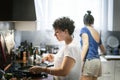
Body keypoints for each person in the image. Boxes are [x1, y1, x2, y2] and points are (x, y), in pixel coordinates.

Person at [79, 11, 106, 80]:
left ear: (84, 21)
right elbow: (103, 50)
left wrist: (81, 62)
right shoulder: (96, 32)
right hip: (97, 62)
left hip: (89, 61)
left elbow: (86, 45)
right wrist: (100, 53)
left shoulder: (84, 29)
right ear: (92, 21)